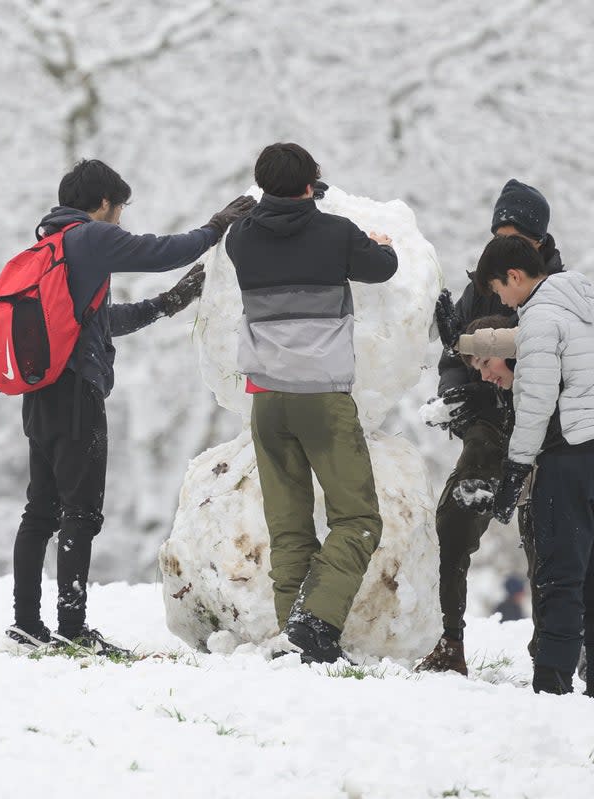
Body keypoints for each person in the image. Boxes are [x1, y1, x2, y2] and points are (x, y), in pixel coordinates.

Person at [6, 159, 255, 655]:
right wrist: (216, 226)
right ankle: (71, 628)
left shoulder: (49, 245)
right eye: (118, 211)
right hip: (76, 395)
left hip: (42, 393)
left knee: (40, 512)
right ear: (103, 205)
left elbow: (95, 322)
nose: (119, 221)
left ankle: (27, 623)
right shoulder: (88, 237)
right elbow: (159, 251)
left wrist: (165, 304)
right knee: (81, 513)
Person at [225, 142, 398, 664]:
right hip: (322, 397)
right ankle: (314, 624)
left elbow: (275, 224)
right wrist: (376, 241)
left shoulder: (240, 238)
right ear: (311, 184)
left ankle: (295, 639)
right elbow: (383, 267)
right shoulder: (336, 234)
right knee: (358, 519)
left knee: (289, 526)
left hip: (268, 401)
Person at [458, 325, 594, 693]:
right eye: (477, 370)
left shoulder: (537, 361)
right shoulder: (553, 369)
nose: (486, 375)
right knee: (592, 573)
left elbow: (545, 455)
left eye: (486, 363)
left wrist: (460, 342)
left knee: (583, 573)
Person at [473, 233, 594, 704]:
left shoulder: (539, 317)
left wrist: (516, 468)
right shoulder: (582, 308)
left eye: (499, 290)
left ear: (514, 277)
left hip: (567, 456)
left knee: (559, 578)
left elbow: (535, 400)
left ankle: (552, 687)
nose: (502, 300)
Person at [415, 180, 548, 677]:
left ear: (539, 240)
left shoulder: (560, 290)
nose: (503, 241)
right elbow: (455, 354)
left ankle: (551, 651)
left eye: (514, 233)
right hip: (487, 430)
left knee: (545, 544)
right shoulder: (479, 287)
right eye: (498, 232)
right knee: (452, 526)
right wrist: (460, 392)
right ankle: (448, 641)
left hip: (546, 434)